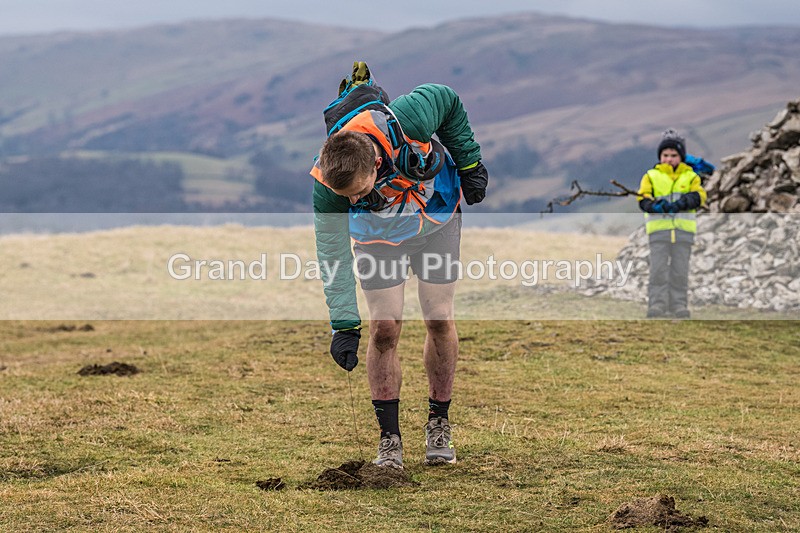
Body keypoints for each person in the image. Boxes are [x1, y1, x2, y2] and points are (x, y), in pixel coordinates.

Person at [310, 62, 488, 468]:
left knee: (439, 318)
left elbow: (448, 98)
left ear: (374, 164)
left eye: (358, 193)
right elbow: (331, 250)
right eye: (346, 198)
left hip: (437, 216)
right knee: (384, 328)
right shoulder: (329, 183)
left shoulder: (408, 119)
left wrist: (470, 163)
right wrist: (342, 324)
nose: (351, 202)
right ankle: (389, 440)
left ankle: (438, 423)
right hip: (378, 237)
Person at [637, 129, 707, 319]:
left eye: (673, 155)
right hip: (659, 232)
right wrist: (655, 206)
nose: (669, 159)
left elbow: (699, 196)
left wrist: (682, 203)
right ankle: (657, 304)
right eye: (665, 155)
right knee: (658, 270)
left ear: (681, 157)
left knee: (679, 271)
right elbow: (643, 199)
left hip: (683, 233)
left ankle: (678, 305)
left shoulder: (691, 176)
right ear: (660, 156)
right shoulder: (651, 176)